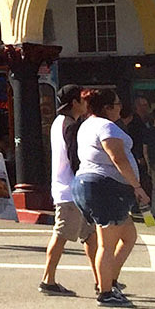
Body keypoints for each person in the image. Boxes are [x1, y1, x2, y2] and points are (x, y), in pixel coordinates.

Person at [72, 88, 148, 307]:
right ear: (106, 108)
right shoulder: (106, 126)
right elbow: (118, 158)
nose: (120, 108)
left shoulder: (87, 124)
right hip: (106, 187)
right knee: (106, 243)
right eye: (116, 105)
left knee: (129, 235)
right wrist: (137, 186)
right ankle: (105, 291)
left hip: (92, 185)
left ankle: (109, 280)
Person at [39, 85, 97, 297]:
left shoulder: (58, 123)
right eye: (82, 100)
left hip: (67, 188)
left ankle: (102, 279)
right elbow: (75, 159)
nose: (85, 104)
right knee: (62, 233)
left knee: (90, 235)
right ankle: (48, 279)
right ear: (74, 102)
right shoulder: (70, 125)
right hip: (71, 190)